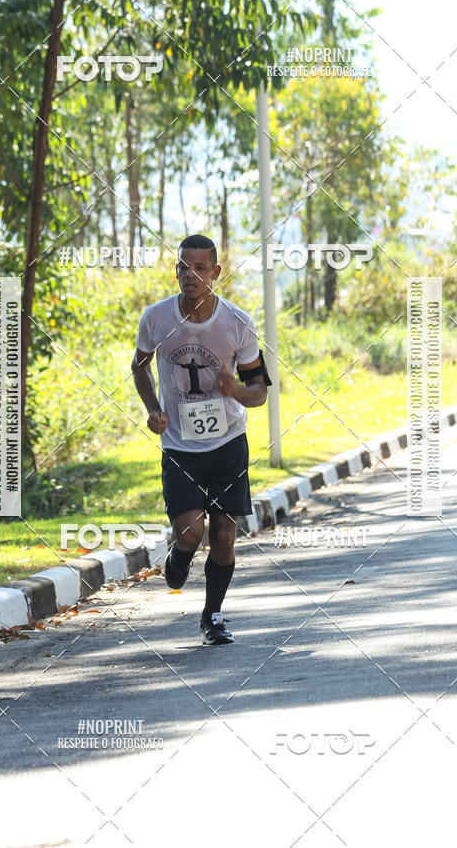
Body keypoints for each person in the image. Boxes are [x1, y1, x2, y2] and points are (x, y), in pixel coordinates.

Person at [131, 234, 271, 644]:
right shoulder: (156, 318)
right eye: (183, 267)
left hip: (228, 442)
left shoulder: (237, 322)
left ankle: (212, 616)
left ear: (215, 273)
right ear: (176, 270)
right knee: (191, 533)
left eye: (200, 268)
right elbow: (139, 366)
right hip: (179, 446)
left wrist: (236, 392)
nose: (190, 275)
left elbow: (259, 390)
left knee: (224, 534)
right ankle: (178, 560)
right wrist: (153, 407)